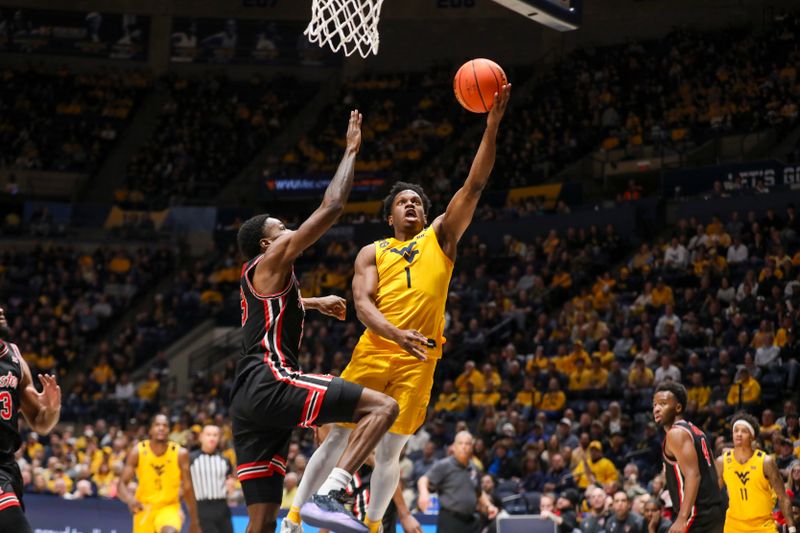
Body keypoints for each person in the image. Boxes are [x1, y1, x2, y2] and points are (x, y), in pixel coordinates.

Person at [289, 84, 512, 533]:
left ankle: (370, 527)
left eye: (417, 201)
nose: (411, 203)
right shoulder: (372, 252)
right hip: (375, 348)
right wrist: (395, 334)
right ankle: (294, 519)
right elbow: (362, 305)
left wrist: (491, 127)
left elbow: (475, 184)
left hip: (421, 357)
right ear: (388, 216)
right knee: (338, 434)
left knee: (393, 451)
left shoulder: (441, 238)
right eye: (402, 202)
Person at [232, 111, 399, 533]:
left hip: (246, 403)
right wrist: (351, 150)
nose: (290, 232)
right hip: (271, 382)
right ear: (268, 244)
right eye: (283, 229)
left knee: (262, 520)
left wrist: (311, 302)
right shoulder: (272, 258)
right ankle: (332, 494)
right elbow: (332, 206)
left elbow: (267, 315)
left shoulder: (256, 280)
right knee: (383, 406)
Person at [0, 307, 61, 533]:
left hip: (7, 467)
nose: (1, 309)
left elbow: (40, 424)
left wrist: (52, 408)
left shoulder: (13, 356)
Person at [652, 382, 723, 533]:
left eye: (663, 404)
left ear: (678, 407)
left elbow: (693, 475)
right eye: (655, 404)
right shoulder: (695, 431)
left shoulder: (676, 433)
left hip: (696, 515)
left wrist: (682, 518)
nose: (656, 409)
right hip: (712, 513)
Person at [715, 412, 796, 533]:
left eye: (744, 431)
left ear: (752, 436)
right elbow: (713, 495)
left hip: (763, 525)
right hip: (734, 526)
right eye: (736, 430)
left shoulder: (766, 462)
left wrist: (792, 528)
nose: (739, 434)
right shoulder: (722, 461)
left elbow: (783, 497)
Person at [118, 414, 200, 533]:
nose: (161, 428)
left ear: (169, 430)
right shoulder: (138, 451)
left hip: (169, 508)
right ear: (150, 429)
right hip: (144, 508)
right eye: (157, 425)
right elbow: (121, 484)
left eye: (165, 425)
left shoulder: (180, 454)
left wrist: (195, 519)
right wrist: (129, 499)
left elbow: (188, 488)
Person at [417, 431, 498, 533]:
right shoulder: (444, 465)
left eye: (467, 444)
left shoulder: (474, 468)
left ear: (472, 447)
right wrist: (424, 494)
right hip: (450, 521)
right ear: (454, 447)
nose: (464, 447)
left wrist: (488, 505)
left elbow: (479, 493)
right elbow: (423, 479)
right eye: (460, 443)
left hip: (470, 521)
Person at [190, 425, 234, 533]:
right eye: (208, 435)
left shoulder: (225, 460)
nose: (212, 438)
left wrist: (230, 485)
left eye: (215, 435)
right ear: (201, 437)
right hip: (201, 507)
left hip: (222, 507)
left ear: (219, 438)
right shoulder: (191, 458)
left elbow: (230, 479)